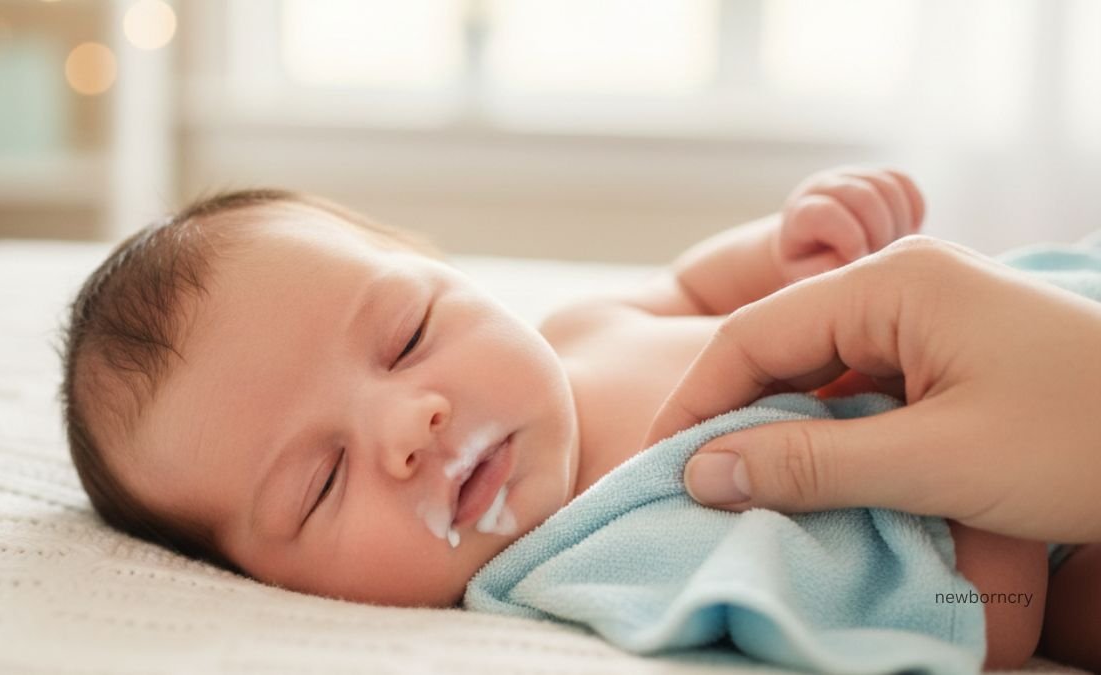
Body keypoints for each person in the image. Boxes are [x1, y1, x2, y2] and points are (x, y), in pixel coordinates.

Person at [58, 167, 1046, 669]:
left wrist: (799, 249)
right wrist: (1003, 502)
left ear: (447, 271)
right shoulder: (594, 565)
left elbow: (696, 287)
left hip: (1032, 315)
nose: (411, 425)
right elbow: (976, 629)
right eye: (319, 483)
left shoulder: (575, 330)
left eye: (406, 335)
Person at [642, 232, 1101, 671]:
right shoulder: (600, 526)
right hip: (1025, 533)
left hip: (1009, 324)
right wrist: (985, 518)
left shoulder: (586, 321)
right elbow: (976, 617)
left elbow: (690, 289)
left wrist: (787, 249)